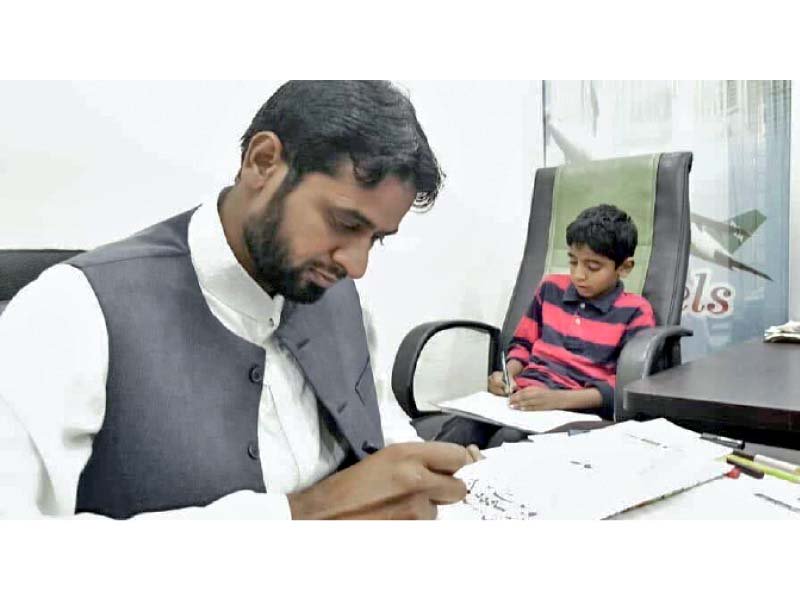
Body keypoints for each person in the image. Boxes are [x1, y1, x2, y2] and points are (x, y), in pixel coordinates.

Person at [0, 80, 479, 520]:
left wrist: (423, 467)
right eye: (346, 224)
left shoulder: (337, 294)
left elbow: (375, 418)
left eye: (375, 239)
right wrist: (303, 515)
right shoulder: (70, 311)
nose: (356, 265)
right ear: (263, 162)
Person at [438, 204, 656, 448]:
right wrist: (509, 374)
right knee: (460, 428)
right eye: (573, 262)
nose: (579, 275)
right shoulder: (551, 289)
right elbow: (523, 344)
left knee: (508, 442)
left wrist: (558, 399)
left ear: (625, 267)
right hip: (525, 396)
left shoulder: (635, 311)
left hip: (576, 410)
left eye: (593, 267)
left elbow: (627, 384)